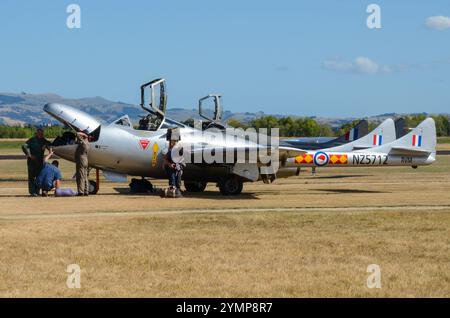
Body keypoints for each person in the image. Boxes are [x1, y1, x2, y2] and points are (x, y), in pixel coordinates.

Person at [22, 128, 51, 196]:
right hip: (32, 161)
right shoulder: (32, 140)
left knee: (39, 177)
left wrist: (48, 147)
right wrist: (29, 155)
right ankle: (32, 192)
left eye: (42, 133)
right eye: (40, 133)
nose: (41, 134)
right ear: (37, 133)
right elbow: (24, 146)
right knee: (31, 177)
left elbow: (49, 144)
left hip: (40, 162)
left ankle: (37, 191)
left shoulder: (44, 140)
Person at [163, 131, 185, 197]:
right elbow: (165, 159)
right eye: (173, 141)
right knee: (172, 172)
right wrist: (169, 164)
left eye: (175, 141)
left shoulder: (180, 148)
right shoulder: (168, 149)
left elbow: (182, 158)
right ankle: (173, 187)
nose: (174, 142)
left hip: (177, 165)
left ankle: (177, 188)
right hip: (170, 166)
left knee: (178, 173)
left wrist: (178, 165)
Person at [75, 131, 90, 196]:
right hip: (85, 160)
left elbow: (77, 134)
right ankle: (86, 191)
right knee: (85, 176)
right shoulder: (87, 143)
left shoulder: (83, 142)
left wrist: (84, 134)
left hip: (81, 160)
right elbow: (77, 140)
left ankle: (81, 192)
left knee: (80, 176)